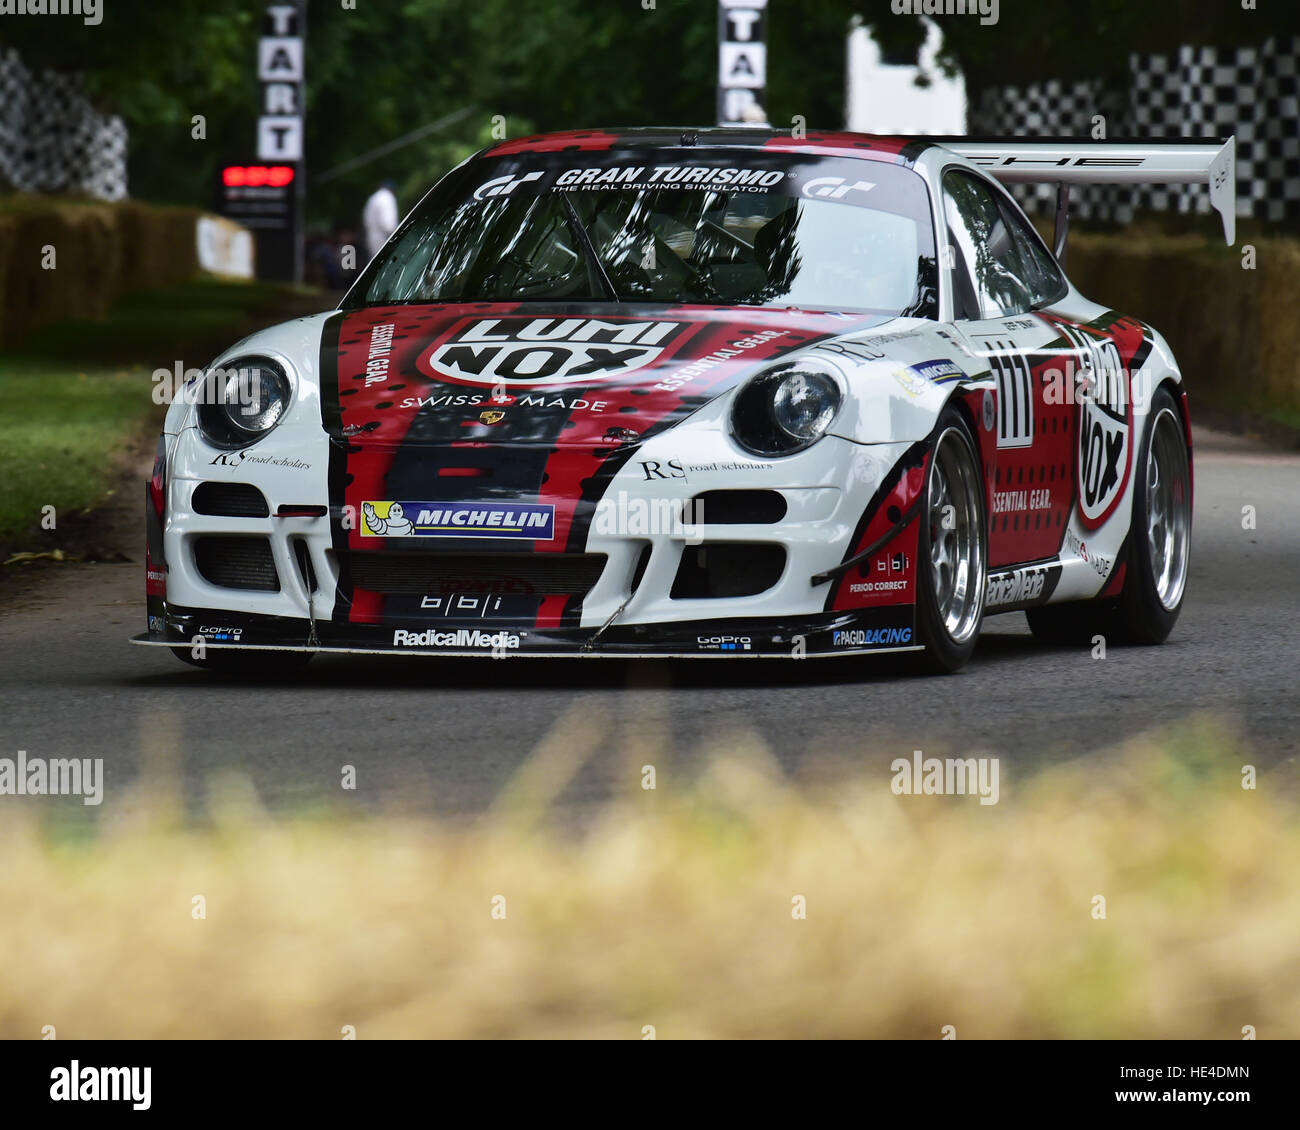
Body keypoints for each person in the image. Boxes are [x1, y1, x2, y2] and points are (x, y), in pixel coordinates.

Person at [362, 179, 399, 261]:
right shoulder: (387, 198)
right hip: (383, 239)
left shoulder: (373, 198)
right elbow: (389, 225)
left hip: (372, 238)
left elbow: (366, 221)